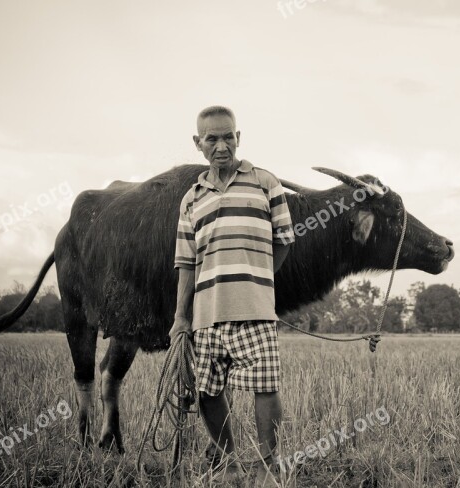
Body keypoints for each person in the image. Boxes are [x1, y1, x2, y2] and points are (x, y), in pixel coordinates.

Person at [170, 105, 295, 486]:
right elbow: (186, 265)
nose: (222, 146)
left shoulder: (265, 182)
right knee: (207, 390)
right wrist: (180, 318)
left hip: (255, 308)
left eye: (229, 136)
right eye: (212, 139)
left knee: (265, 385)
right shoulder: (191, 199)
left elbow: (284, 240)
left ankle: (266, 466)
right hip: (207, 311)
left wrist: (257, 278)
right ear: (198, 144)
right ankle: (226, 461)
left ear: (238, 138)